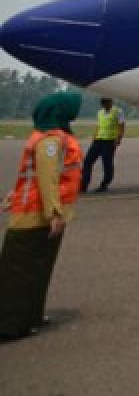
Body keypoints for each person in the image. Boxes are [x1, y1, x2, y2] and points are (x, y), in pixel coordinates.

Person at [0, 93, 84, 341]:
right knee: (20, 272)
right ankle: (9, 325)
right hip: (35, 217)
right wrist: (54, 213)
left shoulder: (55, 138)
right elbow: (46, 180)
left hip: (39, 214)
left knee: (38, 270)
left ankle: (31, 316)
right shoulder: (50, 141)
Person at [81, 97, 124, 193]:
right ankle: (83, 185)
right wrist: (94, 137)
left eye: (107, 103)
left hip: (109, 141)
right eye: (104, 104)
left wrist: (118, 139)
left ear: (111, 102)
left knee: (107, 163)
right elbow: (99, 126)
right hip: (98, 140)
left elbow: (121, 126)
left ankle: (104, 184)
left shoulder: (118, 111)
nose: (106, 105)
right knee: (87, 161)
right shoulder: (100, 112)